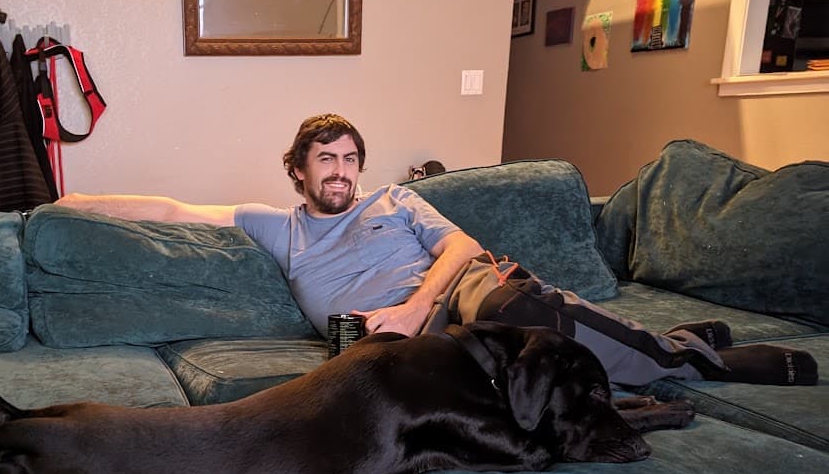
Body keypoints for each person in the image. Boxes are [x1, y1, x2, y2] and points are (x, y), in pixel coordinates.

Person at [56, 114, 816, 388]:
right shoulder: (274, 226)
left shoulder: (396, 201)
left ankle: (697, 361)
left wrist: (415, 306)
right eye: (325, 158)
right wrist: (75, 202)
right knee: (512, 369)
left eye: (350, 156)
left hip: (458, 293)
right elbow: (170, 209)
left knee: (513, 305)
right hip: (419, 342)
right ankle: (670, 345)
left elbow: (465, 250)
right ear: (297, 172)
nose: (341, 170)